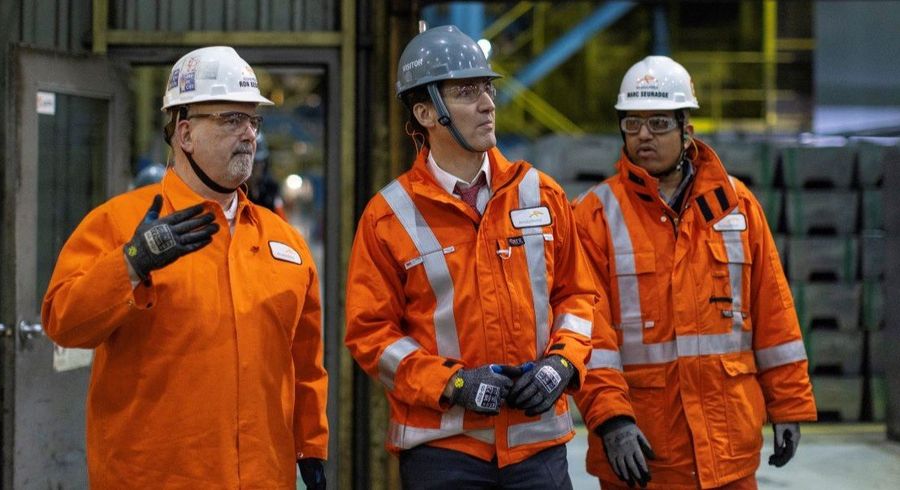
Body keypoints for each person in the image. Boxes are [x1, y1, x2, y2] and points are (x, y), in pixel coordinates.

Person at [41, 46, 329, 489]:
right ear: (185, 132)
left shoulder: (282, 241)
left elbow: (304, 362)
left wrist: (310, 447)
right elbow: (64, 323)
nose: (249, 134)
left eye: (253, 120)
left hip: (261, 477)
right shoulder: (119, 223)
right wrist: (131, 264)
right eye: (231, 120)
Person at [345, 25, 597, 489]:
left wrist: (563, 363)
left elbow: (578, 298)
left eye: (486, 88)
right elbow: (371, 337)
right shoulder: (389, 217)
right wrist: (451, 384)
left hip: (536, 450)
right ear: (425, 112)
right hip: (444, 455)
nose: (487, 103)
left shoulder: (540, 195)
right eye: (466, 92)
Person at [571, 55, 817, 489]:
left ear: (688, 129)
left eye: (659, 122)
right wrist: (610, 418)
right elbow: (588, 336)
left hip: (728, 449)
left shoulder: (736, 207)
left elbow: (774, 314)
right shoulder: (595, 216)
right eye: (632, 123)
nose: (644, 135)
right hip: (644, 454)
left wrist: (790, 405)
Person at [245, 131, 287, 218]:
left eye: (257, 163)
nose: (254, 169)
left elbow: (282, 221)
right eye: (252, 164)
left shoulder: (270, 189)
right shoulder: (233, 190)